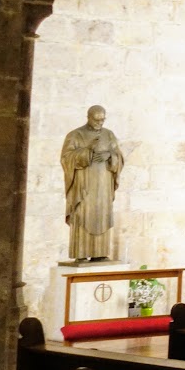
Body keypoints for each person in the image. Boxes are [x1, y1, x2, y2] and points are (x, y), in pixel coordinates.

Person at [62, 105, 124, 261]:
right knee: (83, 214)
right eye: (96, 120)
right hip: (84, 187)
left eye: (102, 120)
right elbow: (66, 158)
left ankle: (100, 253)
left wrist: (109, 156)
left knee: (101, 214)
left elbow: (120, 156)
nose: (100, 123)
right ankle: (81, 254)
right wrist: (87, 152)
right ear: (88, 117)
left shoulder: (109, 135)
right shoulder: (76, 135)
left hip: (103, 187)